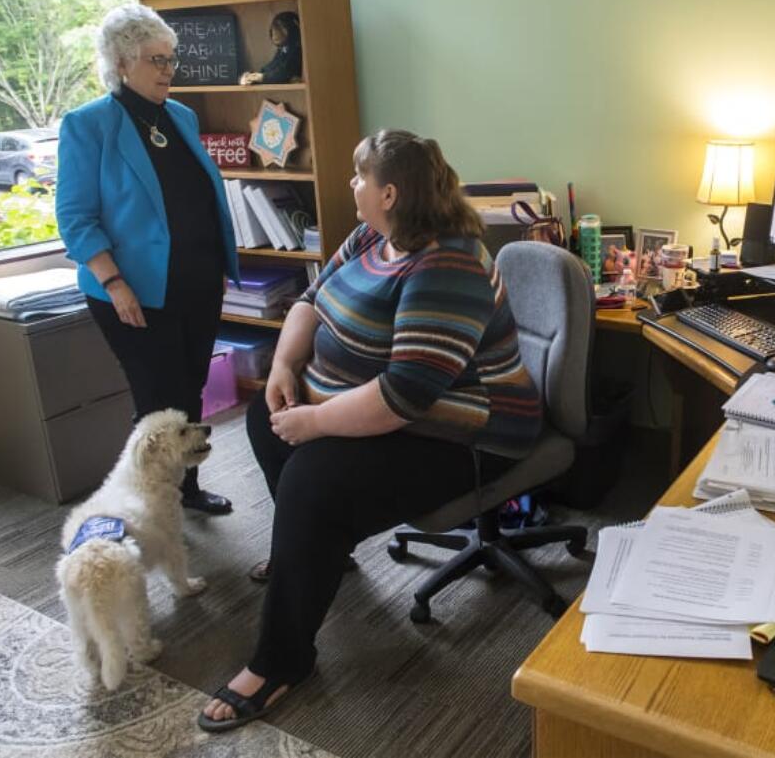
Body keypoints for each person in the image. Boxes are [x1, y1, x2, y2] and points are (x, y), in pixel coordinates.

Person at [198, 130, 542, 731]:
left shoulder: (448, 263)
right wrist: (282, 369)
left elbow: (404, 397)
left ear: (389, 192)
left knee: (313, 476)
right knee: (265, 418)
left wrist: (313, 419)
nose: (350, 185)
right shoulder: (373, 236)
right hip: (389, 411)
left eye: (359, 177)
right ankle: (315, 552)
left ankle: (280, 661)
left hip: (467, 433)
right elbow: (309, 299)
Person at [55, 4, 239, 515]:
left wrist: (218, 266)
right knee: (159, 400)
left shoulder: (180, 116)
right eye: (156, 60)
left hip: (197, 282)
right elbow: (75, 218)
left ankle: (186, 489)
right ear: (120, 63)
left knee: (192, 389)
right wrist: (113, 283)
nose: (168, 71)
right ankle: (152, 502)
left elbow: (198, 198)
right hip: (132, 291)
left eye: (170, 59)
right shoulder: (88, 125)